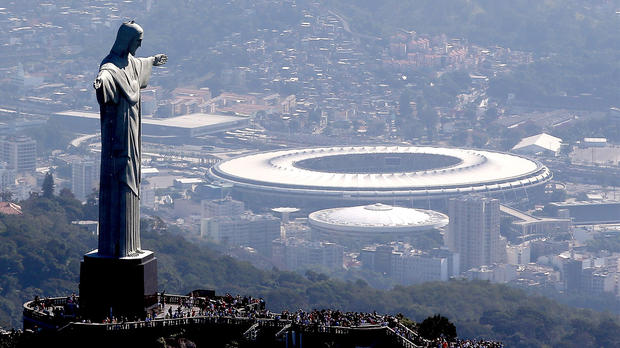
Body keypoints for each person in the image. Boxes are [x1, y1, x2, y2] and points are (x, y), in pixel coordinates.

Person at [93, 21, 167, 257]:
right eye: (138, 40)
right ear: (126, 40)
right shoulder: (112, 67)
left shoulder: (131, 64)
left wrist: (153, 60)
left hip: (133, 134)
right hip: (119, 138)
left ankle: (131, 245)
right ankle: (118, 247)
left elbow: (139, 65)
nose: (140, 44)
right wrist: (101, 83)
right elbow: (105, 75)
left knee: (131, 181)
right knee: (119, 183)